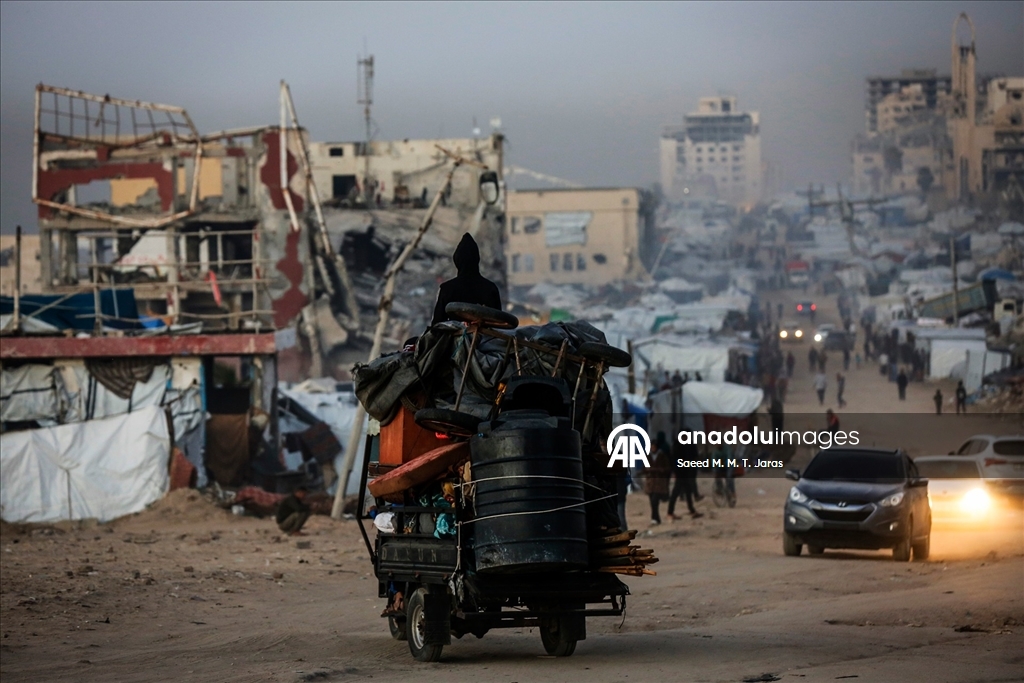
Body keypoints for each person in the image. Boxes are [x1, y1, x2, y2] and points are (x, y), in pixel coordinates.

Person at [430, 233, 502, 326]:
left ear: (457, 260)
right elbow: (499, 322)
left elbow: (437, 325)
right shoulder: (491, 288)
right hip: (487, 339)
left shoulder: (447, 289)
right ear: (477, 259)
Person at [668, 435, 704, 520]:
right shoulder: (678, 446)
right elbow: (674, 460)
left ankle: (692, 510)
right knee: (676, 492)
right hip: (681, 473)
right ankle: (670, 512)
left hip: (686, 472)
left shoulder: (685, 445)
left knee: (687, 492)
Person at [644, 432, 672, 525]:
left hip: (659, 482)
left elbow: (667, 468)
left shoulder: (662, 456)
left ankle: (654, 518)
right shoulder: (648, 456)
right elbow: (644, 468)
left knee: (655, 500)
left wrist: (659, 470)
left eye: (654, 447)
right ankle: (656, 518)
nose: (653, 449)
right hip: (650, 482)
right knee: (652, 501)